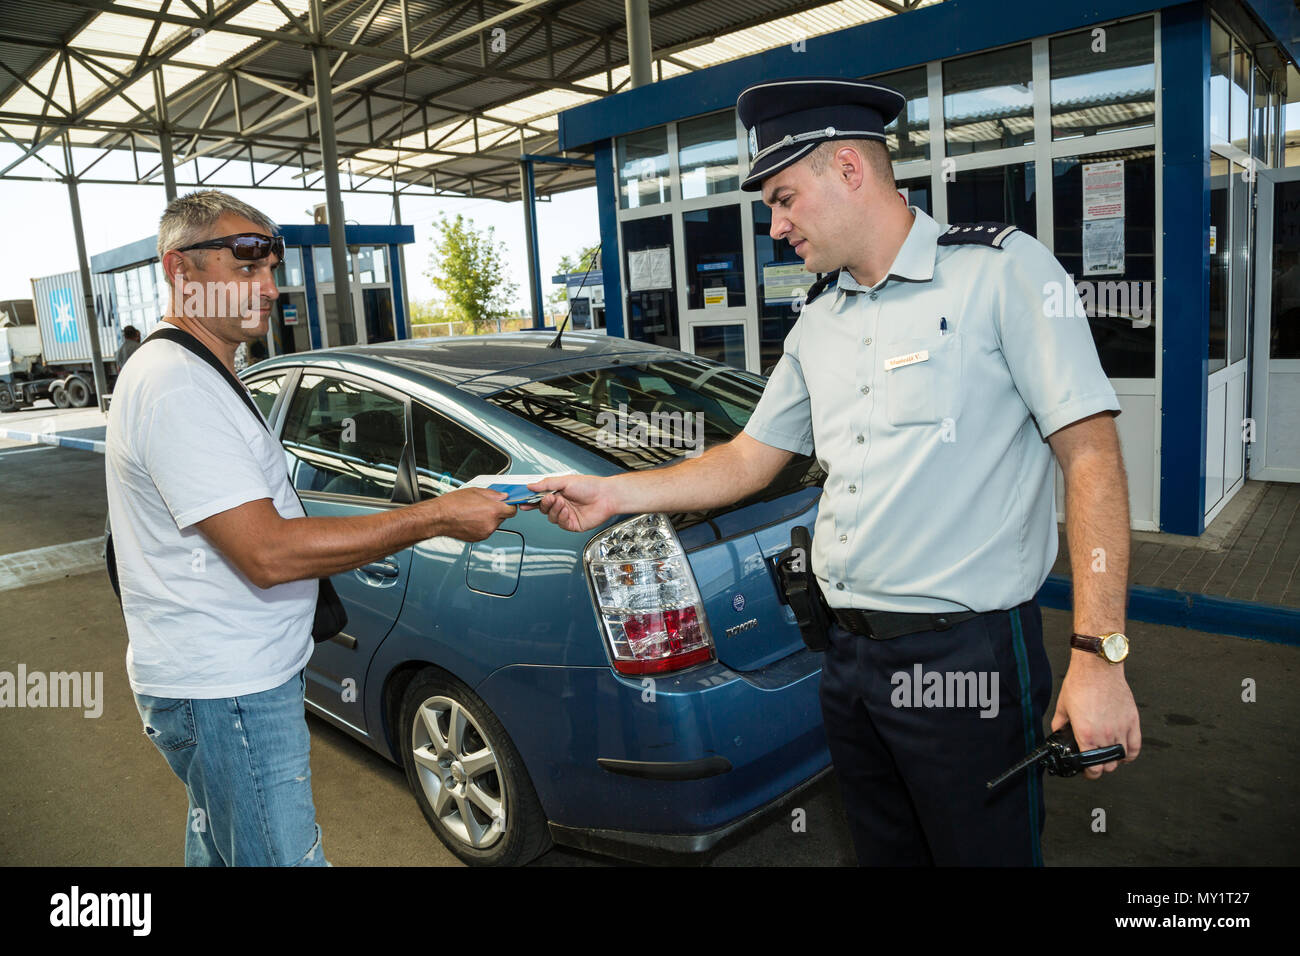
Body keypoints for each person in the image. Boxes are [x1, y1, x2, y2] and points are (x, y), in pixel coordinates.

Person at [529, 77, 1141, 866]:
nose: (776, 227)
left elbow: (1090, 455)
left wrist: (1099, 655)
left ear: (850, 170)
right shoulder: (820, 318)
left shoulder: (1000, 272)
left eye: (784, 199)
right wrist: (611, 493)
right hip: (847, 662)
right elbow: (749, 458)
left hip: (965, 662)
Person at [105, 189, 516, 866]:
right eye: (247, 269)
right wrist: (439, 513)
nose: (271, 288)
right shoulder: (177, 383)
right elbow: (265, 552)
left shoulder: (199, 369)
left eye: (272, 267)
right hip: (227, 691)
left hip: (220, 683)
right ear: (180, 271)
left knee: (222, 846)